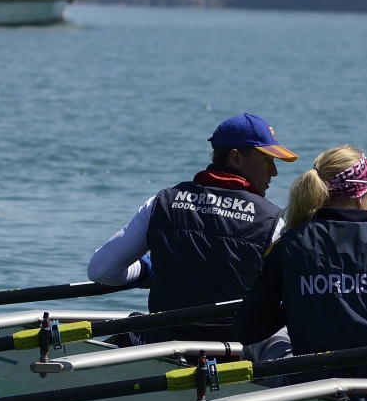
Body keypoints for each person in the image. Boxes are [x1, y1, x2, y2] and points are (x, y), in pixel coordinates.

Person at [234, 147, 367, 401]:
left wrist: (293, 305)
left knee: (264, 341)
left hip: (311, 392)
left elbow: (248, 329)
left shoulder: (289, 246)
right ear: (360, 194)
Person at [88, 113, 298, 339]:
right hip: (232, 349)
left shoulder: (161, 204)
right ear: (236, 158)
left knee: (130, 327)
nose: (274, 171)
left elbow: (100, 271)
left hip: (164, 344)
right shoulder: (273, 221)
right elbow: (292, 296)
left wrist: (148, 269)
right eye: (267, 161)